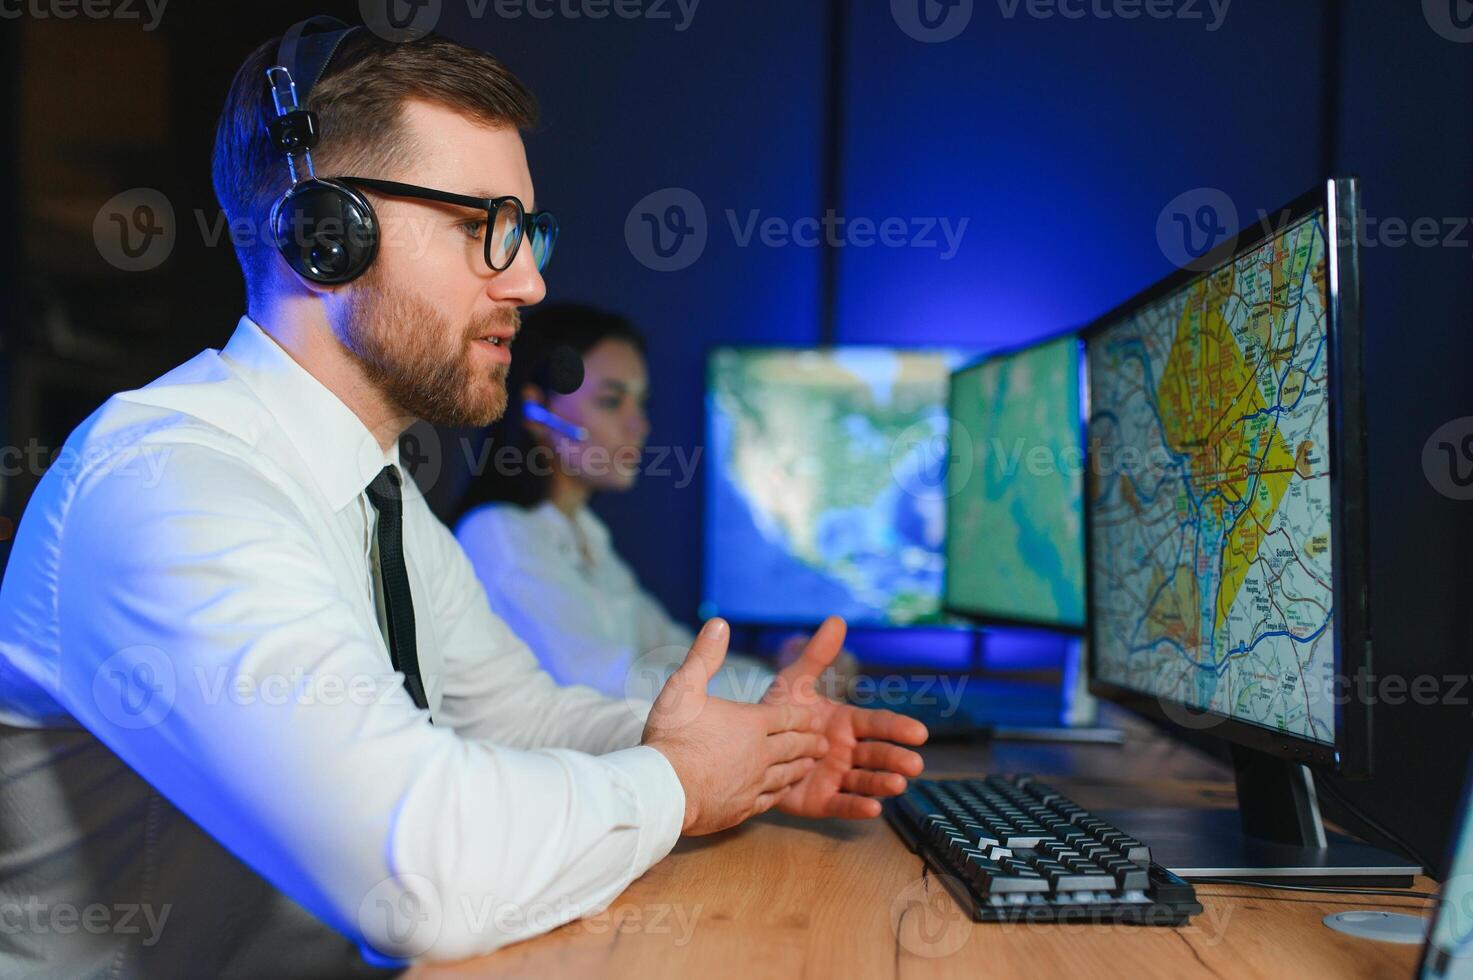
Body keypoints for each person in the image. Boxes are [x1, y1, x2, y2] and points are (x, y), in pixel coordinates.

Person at [0, 17, 926, 977]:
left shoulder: (376, 493)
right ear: (325, 237)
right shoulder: (169, 489)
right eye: (484, 227)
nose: (527, 281)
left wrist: (744, 751)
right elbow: (417, 877)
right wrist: (680, 786)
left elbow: (520, 719)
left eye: (527, 232)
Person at [455, 305, 829, 703]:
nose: (640, 425)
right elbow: (602, 680)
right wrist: (781, 691)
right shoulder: (498, 535)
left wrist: (783, 674)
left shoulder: (587, 537)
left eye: (640, 402)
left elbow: (678, 655)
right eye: (612, 401)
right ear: (536, 410)